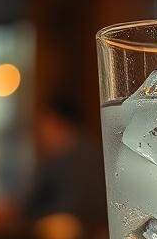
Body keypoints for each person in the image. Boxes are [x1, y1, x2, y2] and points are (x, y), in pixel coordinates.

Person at [24, 94, 106, 225]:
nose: (40, 133)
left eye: (44, 124)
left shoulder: (83, 157)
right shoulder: (54, 158)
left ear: (58, 123)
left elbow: (74, 207)